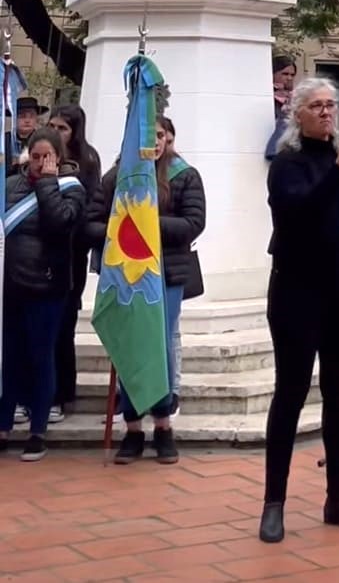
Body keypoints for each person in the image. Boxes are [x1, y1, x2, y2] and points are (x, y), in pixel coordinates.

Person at [260, 78, 339, 544]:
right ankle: (273, 502)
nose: (327, 113)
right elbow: (301, 214)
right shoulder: (286, 163)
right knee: (290, 395)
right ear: (297, 114)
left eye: (331, 105)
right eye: (316, 106)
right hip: (296, 291)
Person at [88, 116, 206, 464]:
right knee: (129, 347)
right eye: (147, 136)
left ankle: (164, 425)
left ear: (168, 139)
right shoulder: (117, 178)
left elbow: (193, 223)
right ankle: (133, 428)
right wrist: (124, 227)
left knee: (161, 347)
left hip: (165, 275)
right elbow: (90, 223)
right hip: (127, 276)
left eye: (159, 136)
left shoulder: (185, 175)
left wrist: (147, 223)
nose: (154, 142)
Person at [0, 128, 85, 460]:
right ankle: (4, 423)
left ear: (59, 158)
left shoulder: (71, 189)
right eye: (35, 157)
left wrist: (49, 182)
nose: (39, 163)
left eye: (47, 157)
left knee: (40, 356)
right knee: (9, 357)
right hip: (11, 286)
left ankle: (38, 430)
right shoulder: (10, 186)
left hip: (47, 285)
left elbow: (60, 223)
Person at [46, 105, 102, 422]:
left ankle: (62, 393)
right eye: (52, 126)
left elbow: (89, 213)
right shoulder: (40, 157)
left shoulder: (87, 162)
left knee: (62, 328)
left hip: (70, 258)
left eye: (63, 128)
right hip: (40, 258)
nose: (55, 133)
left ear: (75, 131)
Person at [265, 55, 297, 160]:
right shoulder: (266, 92)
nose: (289, 78)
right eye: (285, 74)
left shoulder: (294, 94)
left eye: (292, 75)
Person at [8, 96, 47, 175]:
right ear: (14, 118)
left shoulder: (43, 140)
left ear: (36, 118)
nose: (27, 120)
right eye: (22, 116)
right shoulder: (4, 140)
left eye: (32, 116)